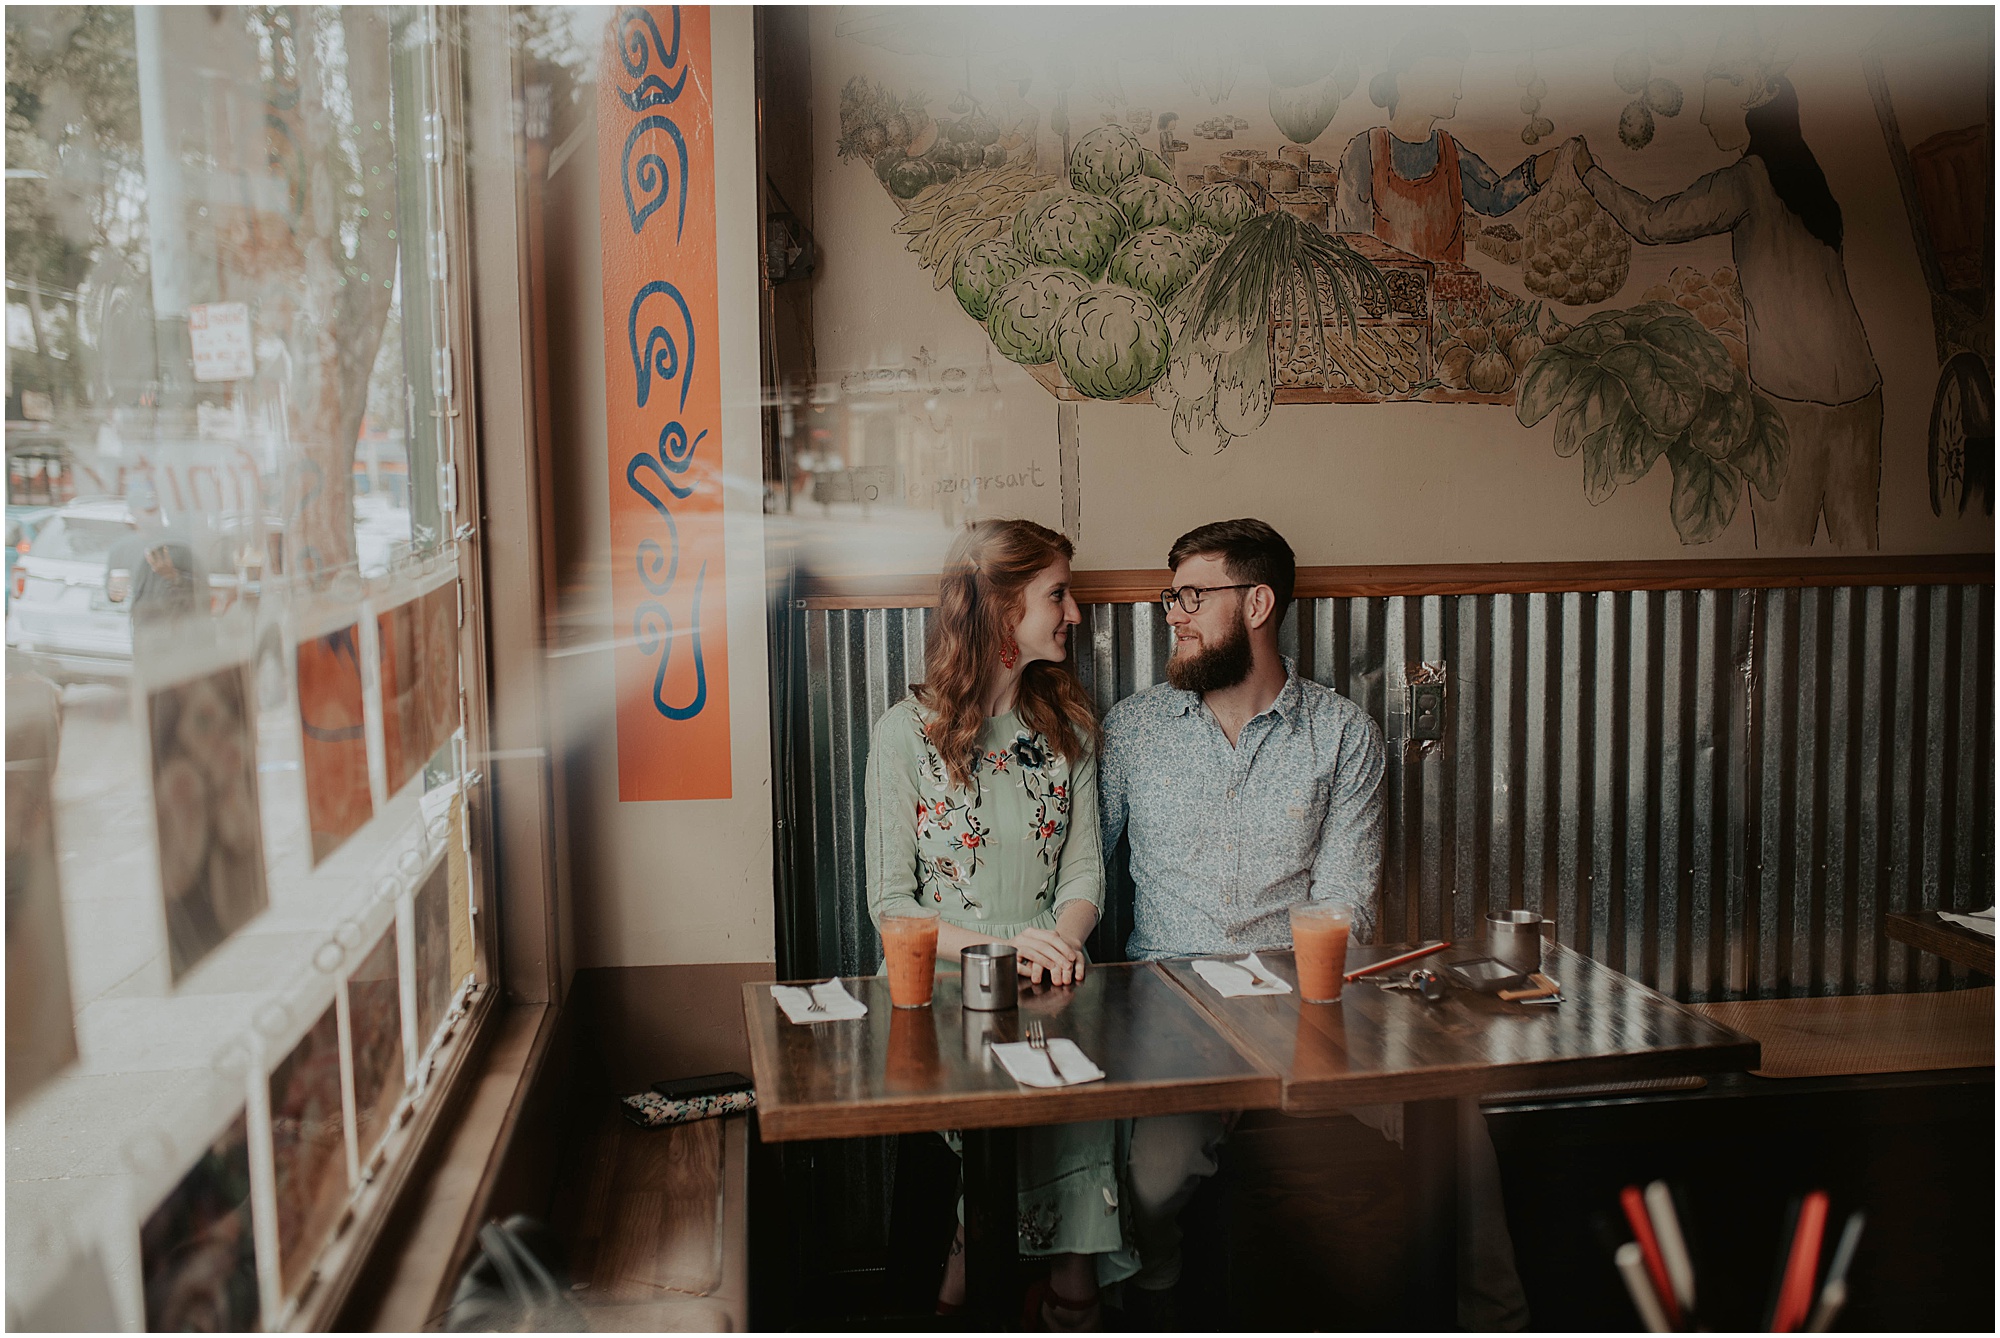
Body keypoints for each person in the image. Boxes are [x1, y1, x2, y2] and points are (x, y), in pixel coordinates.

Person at [1099, 518, 1530, 1330]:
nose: (1173, 614)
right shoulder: (1132, 730)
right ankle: (1149, 1301)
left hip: (1307, 1005)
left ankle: (1497, 1319)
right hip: (1172, 1011)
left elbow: (1349, 905)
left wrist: (1278, 1005)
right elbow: (1082, 881)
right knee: (1150, 1178)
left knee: (1454, 1117)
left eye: (1192, 595)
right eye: (1171, 596)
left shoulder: (1341, 734)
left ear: (1257, 603)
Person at [863, 518, 1133, 1328]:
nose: (1076, 612)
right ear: (1002, 606)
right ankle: (966, 1289)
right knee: (966, 1235)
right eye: (1059, 594)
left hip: (1052, 985)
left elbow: (1087, 871)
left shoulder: (1073, 729)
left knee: (1081, 1114)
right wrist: (1001, 947)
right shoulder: (904, 735)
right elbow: (891, 905)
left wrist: (1063, 942)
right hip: (937, 995)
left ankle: (1068, 1295)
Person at [1574, 38, 1882, 548]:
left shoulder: (1747, 182)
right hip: (1860, 394)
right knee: (1863, 557)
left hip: (1792, 401)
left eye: (1711, 89)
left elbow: (1652, 223)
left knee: (1783, 562)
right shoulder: (1804, 177)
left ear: (1753, 91)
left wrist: (1589, 173)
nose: (1700, 112)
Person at [1333, 30, 1556, 262]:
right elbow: (1351, 245)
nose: (1458, 92)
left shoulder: (1450, 151)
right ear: (1404, 82)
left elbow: (1493, 199)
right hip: (1386, 294)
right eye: (1447, 80)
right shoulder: (1364, 151)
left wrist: (1549, 163)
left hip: (1450, 292)